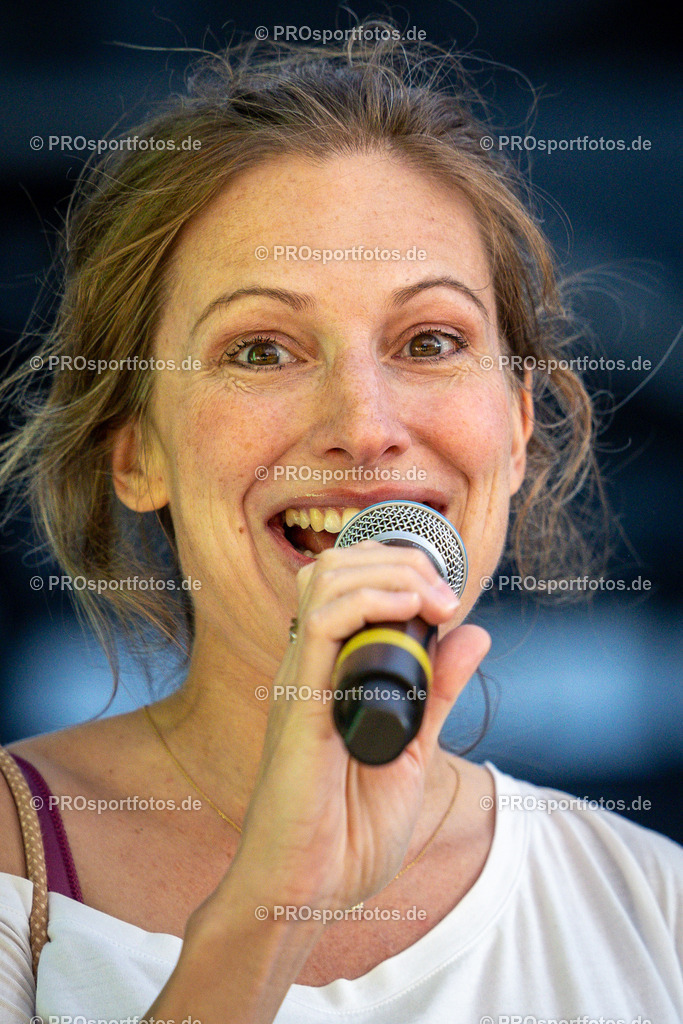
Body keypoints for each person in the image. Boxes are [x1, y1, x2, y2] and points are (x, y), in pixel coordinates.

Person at [0, 26, 680, 1024]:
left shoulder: (652, 911)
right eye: (262, 350)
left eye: (430, 340)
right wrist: (267, 911)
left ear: (519, 425)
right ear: (135, 447)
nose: (364, 427)